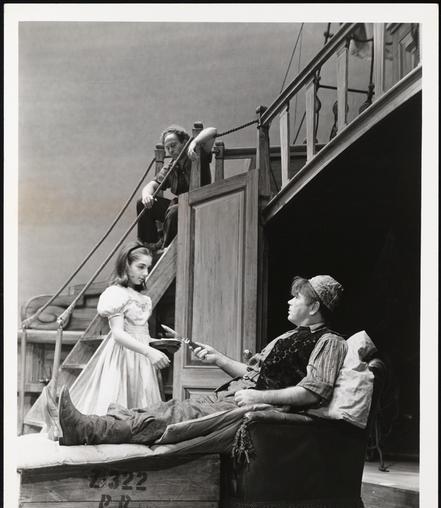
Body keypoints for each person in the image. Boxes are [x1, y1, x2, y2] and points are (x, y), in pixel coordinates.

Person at [57, 274, 348, 447]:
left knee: (173, 417)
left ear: (314, 307)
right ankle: (89, 425)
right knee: (168, 408)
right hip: (234, 396)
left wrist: (258, 396)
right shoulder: (288, 336)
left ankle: (87, 429)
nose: (289, 301)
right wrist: (219, 359)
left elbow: (313, 391)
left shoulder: (330, 341)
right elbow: (254, 374)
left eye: (297, 298)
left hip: (250, 407)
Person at [67, 241, 171, 416]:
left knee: (142, 407)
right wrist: (149, 352)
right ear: (126, 265)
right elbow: (118, 333)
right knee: (118, 405)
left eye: (148, 268)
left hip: (141, 358)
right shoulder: (116, 293)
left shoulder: (144, 299)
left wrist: (159, 343)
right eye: (141, 267)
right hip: (123, 356)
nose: (146, 273)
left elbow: (140, 334)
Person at [136, 125, 217, 252]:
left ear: (184, 142)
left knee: (175, 211)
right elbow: (151, 185)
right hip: (178, 206)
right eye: (168, 148)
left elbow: (213, 131)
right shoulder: (171, 167)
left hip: (199, 206)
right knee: (142, 203)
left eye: (173, 145)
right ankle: (149, 247)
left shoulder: (197, 153)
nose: (170, 150)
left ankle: (166, 249)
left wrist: (195, 142)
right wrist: (147, 196)